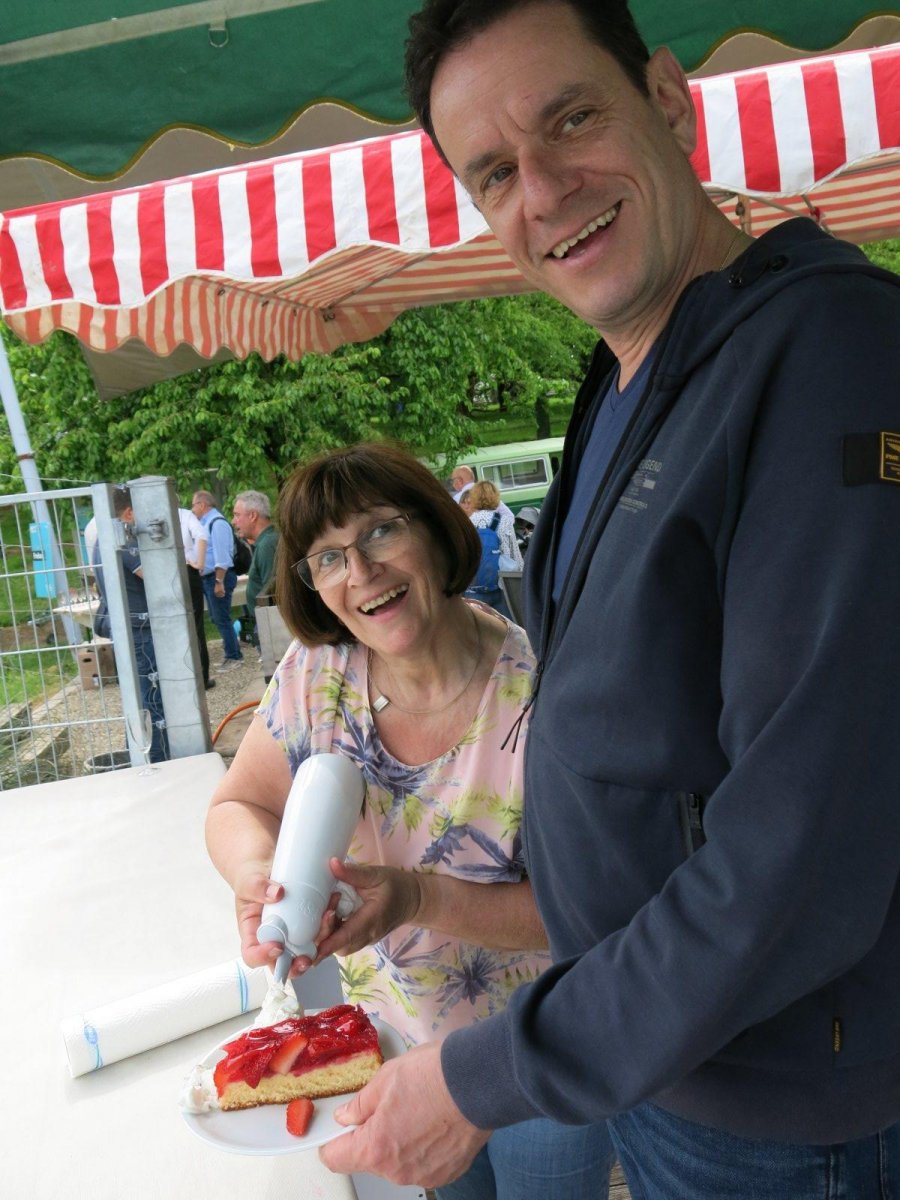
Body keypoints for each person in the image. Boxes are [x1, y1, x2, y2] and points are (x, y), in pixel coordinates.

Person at [318, 2, 900, 1195]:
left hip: (791, 1111)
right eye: (493, 173)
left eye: (571, 117)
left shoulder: (827, 354)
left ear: (671, 101)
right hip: (658, 1061)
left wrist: (492, 1076)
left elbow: (803, 857)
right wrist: (422, 897)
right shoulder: (627, 368)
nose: (541, 189)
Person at [204, 441, 615, 1199]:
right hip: (391, 1051)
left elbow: (588, 918)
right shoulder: (316, 673)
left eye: (380, 532)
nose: (359, 574)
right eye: (327, 557)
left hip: (532, 1058)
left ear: (435, 528)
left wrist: (417, 897)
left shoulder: (544, 694)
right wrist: (253, 873)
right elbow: (240, 804)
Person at [92, 487, 169, 763]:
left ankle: (138, 759)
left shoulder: (102, 539)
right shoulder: (120, 539)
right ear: (129, 512)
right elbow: (156, 577)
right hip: (138, 632)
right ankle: (156, 763)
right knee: (150, 702)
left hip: (131, 630)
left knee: (140, 701)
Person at [191, 489, 243, 671]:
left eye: (193, 505)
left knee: (221, 617)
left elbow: (222, 557)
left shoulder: (217, 524)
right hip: (210, 578)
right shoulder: (205, 524)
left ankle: (234, 656)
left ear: (202, 505)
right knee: (217, 617)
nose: (192, 510)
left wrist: (219, 581)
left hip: (217, 577)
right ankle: (231, 652)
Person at [461, 480, 521, 620]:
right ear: (495, 497)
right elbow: (514, 556)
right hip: (501, 587)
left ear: (473, 498)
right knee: (509, 630)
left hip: (474, 589)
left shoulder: (466, 525)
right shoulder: (504, 521)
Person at [232, 489, 279, 644]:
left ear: (252, 515)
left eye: (237, 515)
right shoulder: (266, 543)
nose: (234, 521)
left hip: (273, 631)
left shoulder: (267, 545)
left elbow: (274, 595)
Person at [177, 504, 214, 691]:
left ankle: (180, 679)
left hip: (163, 574)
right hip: (187, 570)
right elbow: (202, 536)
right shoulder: (184, 515)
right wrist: (200, 562)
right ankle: (202, 676)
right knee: (196, 624)